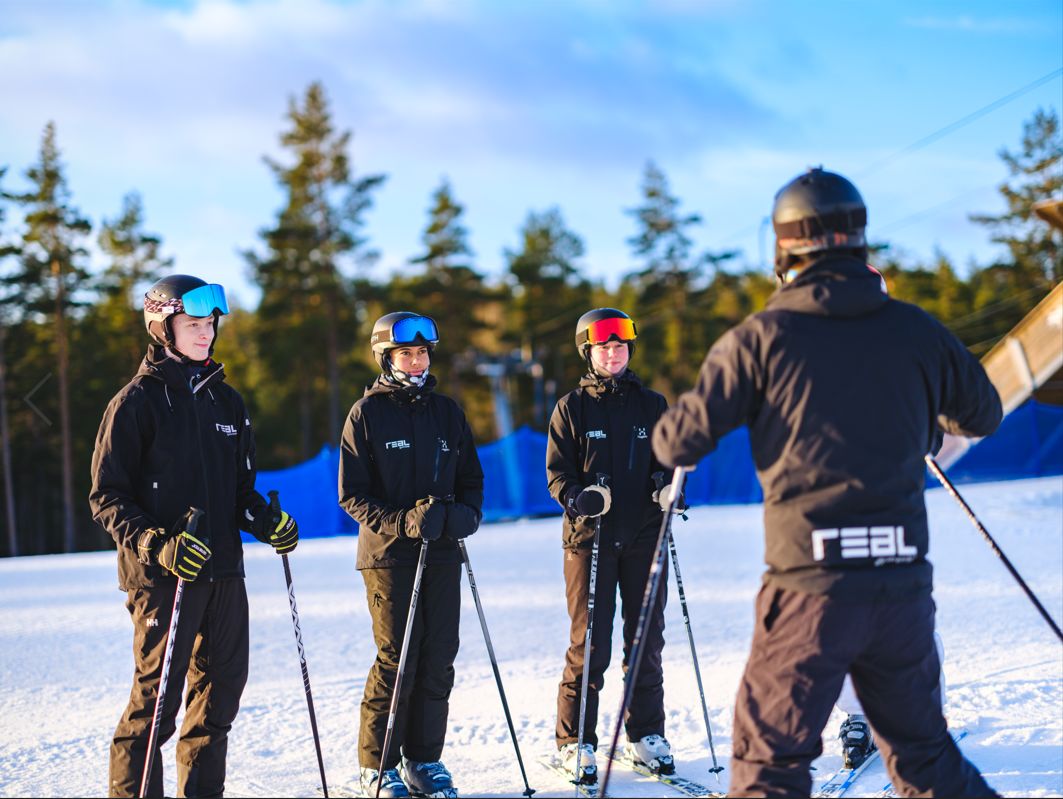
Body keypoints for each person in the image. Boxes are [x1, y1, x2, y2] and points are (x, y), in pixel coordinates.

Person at [651, 167, 1002, 798]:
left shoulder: (761, 337)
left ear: (783, 249)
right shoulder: (914, 328)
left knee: (769, 766)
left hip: (809, 589)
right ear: (859, 240)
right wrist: (918, 413)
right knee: (924, 757)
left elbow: (677, 441)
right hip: (899, 587)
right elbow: (982, 413)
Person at [90, 274, 300, 798]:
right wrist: (158, 545)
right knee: (155, 705)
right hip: (164, 575)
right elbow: (106, 497)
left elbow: (239, 490)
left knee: (220, 694)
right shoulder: (135, 402)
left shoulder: (226, 402)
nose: (205, 333)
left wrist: (263, 520)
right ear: (163, 328)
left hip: (223, 571)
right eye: (192, 324)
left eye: (209, 324)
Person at [339, 312, 484, 799]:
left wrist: (466, 514)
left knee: (439, 657)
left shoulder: (447, 412)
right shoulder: (367, 414)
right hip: (389, 556)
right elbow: (351, 494)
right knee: (398, 658)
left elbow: (471, 480)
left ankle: (423, 758)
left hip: (443, 551)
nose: (417, 360)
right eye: (407, 353)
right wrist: (403, 521)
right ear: (387, 357)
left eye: (422, 352)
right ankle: (377, 766)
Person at [545, 308, 682, 785]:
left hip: (644, 535)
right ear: (589, 351)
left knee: (646, 639)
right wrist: (577, 498)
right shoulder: (571, 408)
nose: (613, 353)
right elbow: (557, 475)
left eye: (620, 346)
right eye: (604, 346)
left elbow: (670, 462)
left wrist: (670, 489)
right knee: (591, 643)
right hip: (591, 540)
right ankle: (576, 741)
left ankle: (646, 734)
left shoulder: (653, 403)